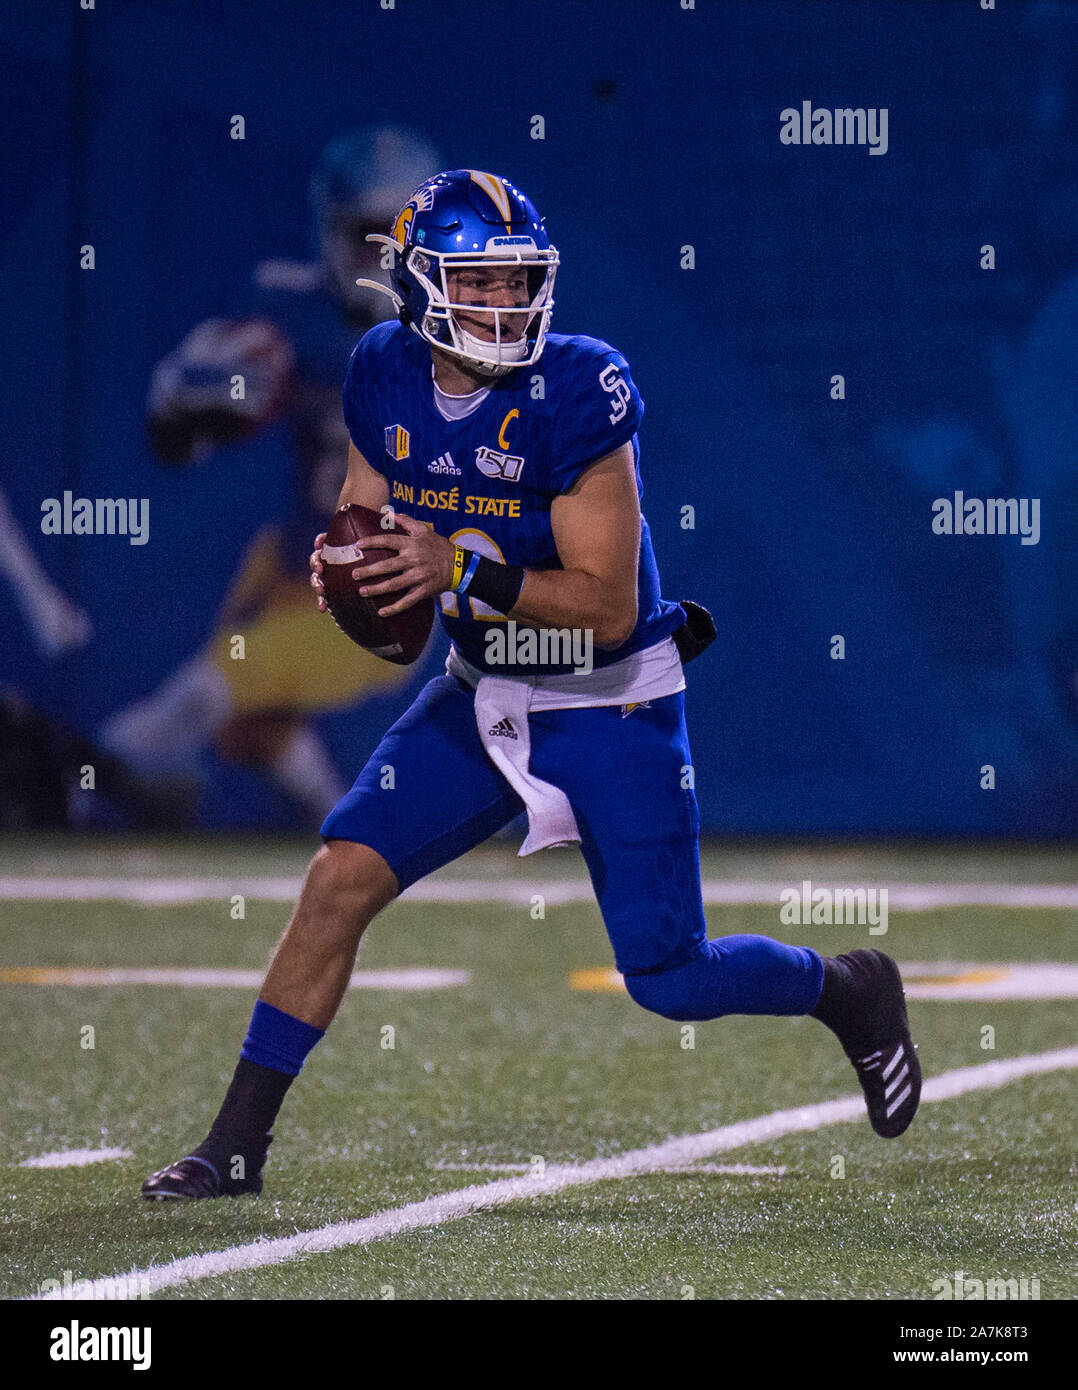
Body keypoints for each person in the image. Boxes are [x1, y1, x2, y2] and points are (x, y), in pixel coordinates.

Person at [143, 169, 920, 1199]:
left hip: (609, 701)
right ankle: (234, 1146)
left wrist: (455, 567)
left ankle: (848, 988)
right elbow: (367, 527)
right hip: (478, 691)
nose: (506, 305)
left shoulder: (580, 387)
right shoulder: (382, 370)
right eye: (481, 283)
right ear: (419, 288)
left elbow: (600, 603)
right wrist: (354, 575)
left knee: (670, 979)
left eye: (518, 282)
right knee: (335, 881)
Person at [101, 128, 439, 825]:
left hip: (384, 590)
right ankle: (349, 829)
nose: (380, 256)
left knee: (212, 686)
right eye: (365, 235)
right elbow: (178, 445)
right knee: (244, 729)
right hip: (290, 562)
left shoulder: (453, 337)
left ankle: (85, 780)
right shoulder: (286, 315)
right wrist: (179, 396)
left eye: (396, 237)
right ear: (328, 232)